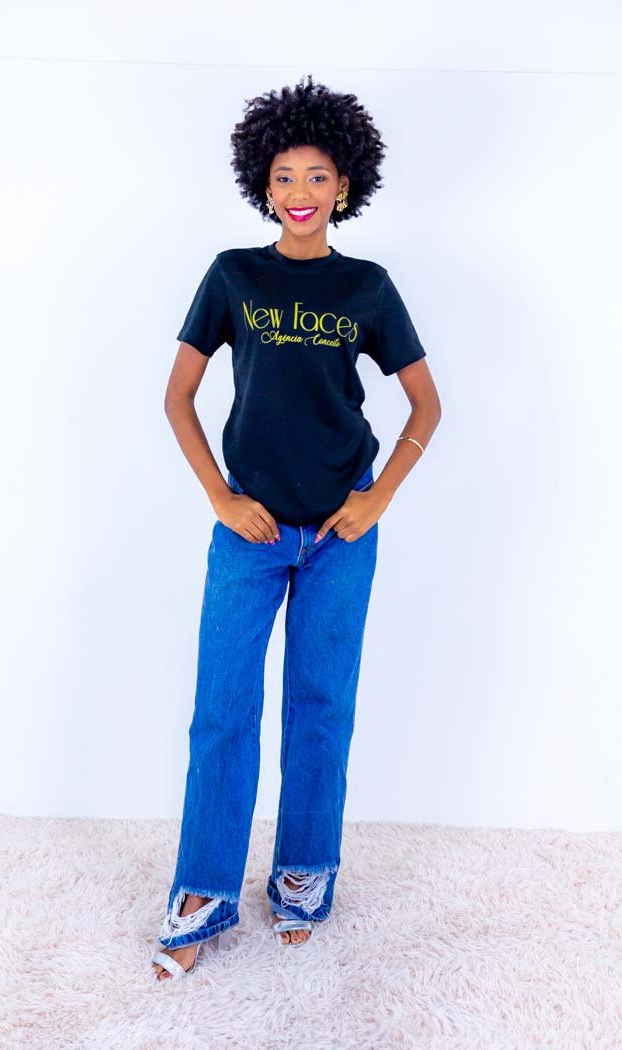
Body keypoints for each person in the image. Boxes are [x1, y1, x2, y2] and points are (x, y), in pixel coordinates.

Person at [152, 73, 441, 981]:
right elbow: (179, 396)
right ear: (263, 185)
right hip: (250, 529)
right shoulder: (233, 276)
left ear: (345, 185)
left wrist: (378, 497)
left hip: (340, 536)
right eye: (285, 176)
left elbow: (426, 405)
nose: (301, 192)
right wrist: (219, 497)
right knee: (222, 709)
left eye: (318, 176)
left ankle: (304, 873)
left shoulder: (368, 287)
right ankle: (204, 889)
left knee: (321, 705)